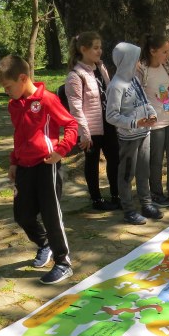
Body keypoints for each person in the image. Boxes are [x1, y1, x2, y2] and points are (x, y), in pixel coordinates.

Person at [0, 55, 78, 285]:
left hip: (46, 164)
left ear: (23, 78)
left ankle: (63, 262)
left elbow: (71, 124)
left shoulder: (47, 99)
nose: (6, 92)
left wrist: (61, 149)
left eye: (8, 87)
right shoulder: (14, 104)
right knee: (22, 214)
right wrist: (14, 160)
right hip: (24, 166)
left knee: (51, 214)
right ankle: (44, 243)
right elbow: (19, 134)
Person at [106, 42, 163, 225]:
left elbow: (144, 100)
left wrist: (151, 113)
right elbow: (111, 116)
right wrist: (133, 123)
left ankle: (146, 204)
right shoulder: (116, 86)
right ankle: (129, 209)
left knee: (143, 171)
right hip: (129, 138)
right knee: (126, 174)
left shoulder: (134, 79)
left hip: (144, 133)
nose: (139, 63)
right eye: (136, 59)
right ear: (127, 61)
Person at [64, 31, 120, 211]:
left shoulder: (100, 68)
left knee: (114, 159)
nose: (100, 51)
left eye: (100, 47)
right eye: (95, 48)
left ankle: (116, 195)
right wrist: (84, 133)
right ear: (83, 49)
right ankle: (96, 199)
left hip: (108, 124)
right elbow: (76, 108)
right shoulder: (75, 76)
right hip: (92, 128)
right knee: (92, 162)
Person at [137, 33, 169, 209]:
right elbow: (137, 96)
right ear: (152, 51)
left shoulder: (168, 66)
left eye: (168, 51)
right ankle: (156, 192)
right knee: (155, 159)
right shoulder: (142, 69)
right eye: (164, 51)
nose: (168, 55)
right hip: (155, 123)